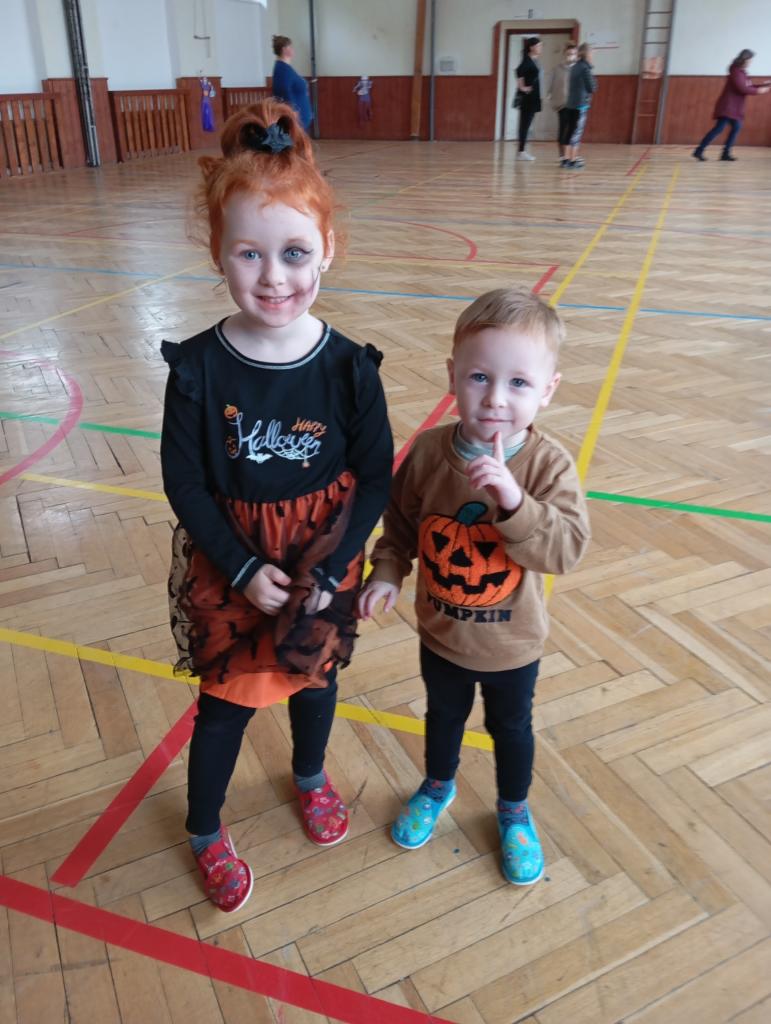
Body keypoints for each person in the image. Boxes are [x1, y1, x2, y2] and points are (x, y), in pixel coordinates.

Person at [160, 99, 393, 912]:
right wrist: (240, 566)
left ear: (326, 246)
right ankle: (202, 828)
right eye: (248, 253)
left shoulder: (350, 368)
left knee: (315, 681)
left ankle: (309, 773)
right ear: (217, 253)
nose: (273, 277)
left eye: (293, 252)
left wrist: (330, 569)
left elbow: (375, 477)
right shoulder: (196, 368)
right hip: (234, 562)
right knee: (223, 707)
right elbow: (184, 482)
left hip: (320, 559)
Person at [358, 288, 591, 886]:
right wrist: (387, 573)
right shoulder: (428, 453)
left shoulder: (547, 466)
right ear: (452, 376)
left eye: (519, 383)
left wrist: (513, 502)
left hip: (513, 644)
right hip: (440, 634)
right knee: (443, 717)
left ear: (547, 390)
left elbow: (565, 549)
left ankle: (513, 810)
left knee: (511, 730)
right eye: (480, 377)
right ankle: (438, 785)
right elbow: (400, 527)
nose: (495, 398)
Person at [693, 50, 770, 161]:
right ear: (745, 59)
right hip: (728, 107)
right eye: (750, 60)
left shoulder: (742, 72)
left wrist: (764, 86)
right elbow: (742, 88)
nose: (751, 62)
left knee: (735, 128)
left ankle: (724, 153)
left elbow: (749, 86)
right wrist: (759, 91)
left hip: (735, 108)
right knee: (719, 129)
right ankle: (699, 151)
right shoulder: (736, 72)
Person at [563, 43, 597, 169]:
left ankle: (566, 159)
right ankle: (573, 160)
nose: (592, 56)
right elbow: (591, 88)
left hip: (571, 104)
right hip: (580, 105)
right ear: (587, 54)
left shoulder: (575, 66)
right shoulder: (585, 68)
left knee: (570, 131)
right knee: (576, 133)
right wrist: (595, 81)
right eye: (592, 53)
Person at [271, 35, 313, 131]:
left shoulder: (286, 68)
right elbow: (283, 93)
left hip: (300, 122)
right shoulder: (282, 69)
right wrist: (293, 112)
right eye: (290, 47)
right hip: (294, 122)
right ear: (284, 49)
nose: (293, 50)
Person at [548, 42, 578, 165]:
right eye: (568, 54)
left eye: (573, 54)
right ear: (564, 54)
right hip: (562, 104)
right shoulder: (557, 69)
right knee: (563, 129)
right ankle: (562, 156)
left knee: (573, 130)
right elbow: (551, 86)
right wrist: (552, 100)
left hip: (575, 104)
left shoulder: (578, 68)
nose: (571, 56)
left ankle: (570, 155)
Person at [515, 37, 543, 161]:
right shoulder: (527, 60)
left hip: (533, 97)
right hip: (528, 98)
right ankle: (521, 152)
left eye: (541, 45)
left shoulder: (534, 60)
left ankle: (521, 151)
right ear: (531, 47)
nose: (540, 48)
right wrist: (522, 87)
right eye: (538, 46)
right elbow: (519, 71)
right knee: (525, 125)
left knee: (526, 124)